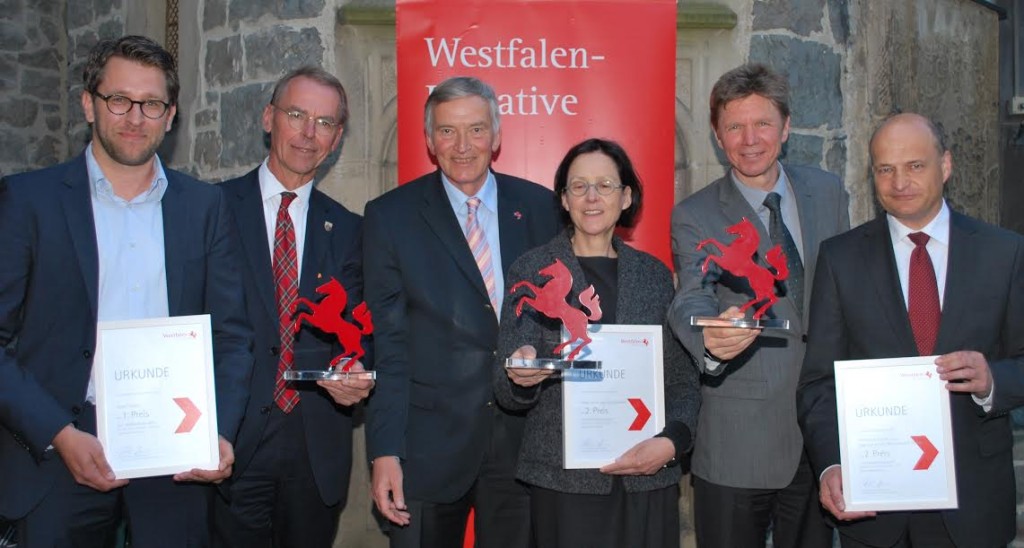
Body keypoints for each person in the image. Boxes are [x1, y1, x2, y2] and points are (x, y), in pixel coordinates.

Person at [0, 35, 252, 547]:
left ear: (171, 113)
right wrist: (58, 434)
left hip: (175, 451)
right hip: (59, 450)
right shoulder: (29, 201)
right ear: (89, 104)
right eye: (119, 100)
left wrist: (217, 433)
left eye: (151, 104)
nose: (135, 117)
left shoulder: (204, 208)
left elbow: (232, 336)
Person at [797, 112, 1024, 548]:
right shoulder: (840, 259)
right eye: (885, 168)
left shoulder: (1005, 253)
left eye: (915, 165)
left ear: (946, 166)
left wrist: (993, 379)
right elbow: (817, 383)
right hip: (875, 507)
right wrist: (831, 465)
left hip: (971, 503)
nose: (899, 181)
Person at [363, 76, 560, 548]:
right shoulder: (390, 216)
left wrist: (543, 349)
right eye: (448, 132)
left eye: (475, 130)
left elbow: (561, 315)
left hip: (523, 442)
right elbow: (387, 343)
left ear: (496, 136)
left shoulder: (542, 207)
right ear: (430, 142)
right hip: (427, 447)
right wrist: (385, 450)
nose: (463, 145)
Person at [667, 63, 848, 548]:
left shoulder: (828, 193)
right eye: (734, 126)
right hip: (736, 442)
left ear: (786, 128)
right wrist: (711, 338)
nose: (750, 139)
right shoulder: (695, 214)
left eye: (762, 123)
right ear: (717, 136)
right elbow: (691, 296)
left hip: (822, 439)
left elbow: (848, 292)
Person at [493, 138, 700, 548]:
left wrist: (673, 441)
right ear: (564, 200)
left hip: (648, 477)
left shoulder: (655, 276)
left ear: (625, 197)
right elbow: (505, 388)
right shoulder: (532, 270)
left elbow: (682, 381)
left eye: (604, 185)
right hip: (563, 484)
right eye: (578, 186)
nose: (591, 197)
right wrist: (521, 375)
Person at [212, 66, 374, 548]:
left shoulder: (349, 229)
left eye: (324, 123)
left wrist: (358, 367)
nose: (308, 133)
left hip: (315, 446)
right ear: (269, 118)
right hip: (232, 443)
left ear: (337, 138)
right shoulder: (211, 209)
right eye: (297, 114)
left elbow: (363, 328)